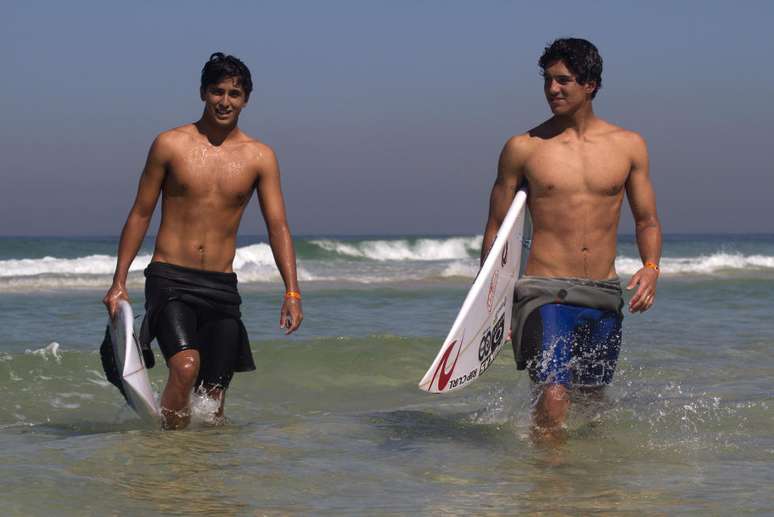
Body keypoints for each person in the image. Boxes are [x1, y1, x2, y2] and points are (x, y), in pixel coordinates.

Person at [103, 52, 303, 429]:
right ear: (202, 92)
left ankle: (204, 471)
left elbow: (278, 227)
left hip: (221, 286)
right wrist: (118, 282)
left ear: (246, 99)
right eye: (217, 91)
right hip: (170, 278)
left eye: (234, 93)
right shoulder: (169, 145)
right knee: (185, 367)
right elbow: (141, 213)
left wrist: (292, 291)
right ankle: (170, 456)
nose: (224, 101)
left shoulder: (260, 157)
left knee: (214, 394)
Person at [480, 38, 662, 441]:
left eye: (563, 80)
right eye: (547, 80)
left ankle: (583, 486)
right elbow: (496, 228)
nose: (552, 89)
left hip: (602, 291)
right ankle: (549, 485)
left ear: (590, 84)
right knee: (555, 392)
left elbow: (647, 220)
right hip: (544, 291)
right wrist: (491, 301)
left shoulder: (629, 146)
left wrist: (651, 268)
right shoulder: (523, 148)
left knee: (592, 398)